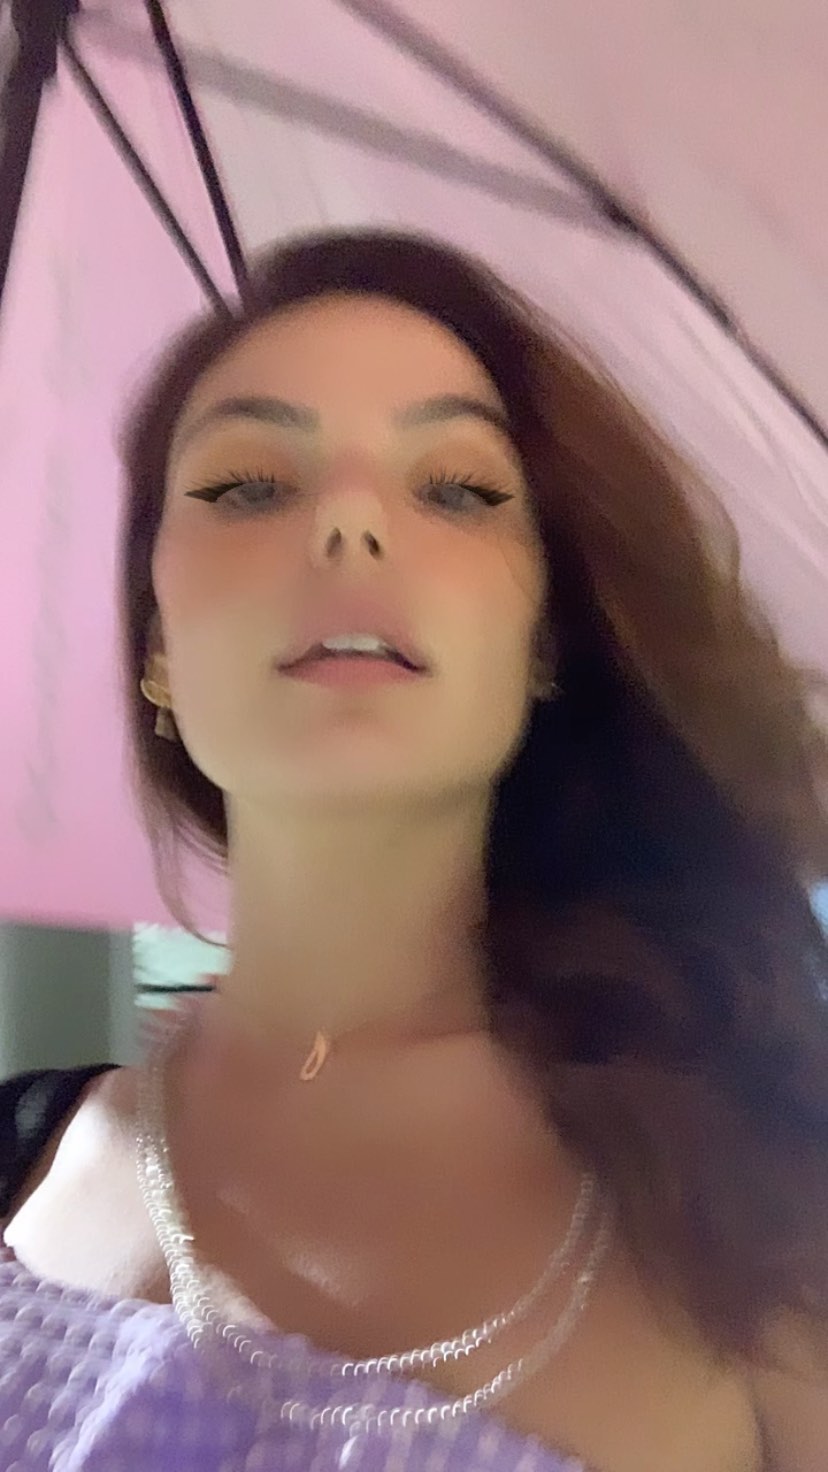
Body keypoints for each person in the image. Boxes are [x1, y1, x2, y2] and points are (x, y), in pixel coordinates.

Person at [1, 230, 826, 1472]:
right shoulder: (31, 1147)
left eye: (458, 489)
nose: (347, 520)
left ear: (545, 638)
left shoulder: (764, 1184)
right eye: (247, 485)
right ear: (155, 641)